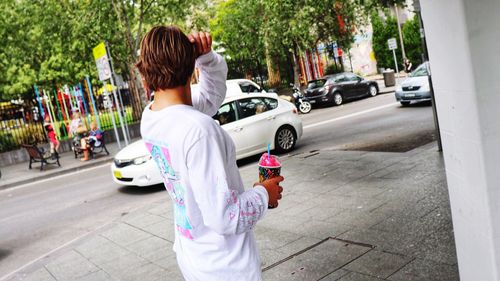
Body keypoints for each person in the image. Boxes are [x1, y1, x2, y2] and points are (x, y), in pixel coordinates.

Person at [137, 26, 284, 281]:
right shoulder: (198, 131)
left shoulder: (152, 116)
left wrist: (206, 58)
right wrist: (264, 193)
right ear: (190, 67)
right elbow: (225, 218)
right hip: (226, 268)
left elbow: (210, 96)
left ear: (146, 73)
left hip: (196, 257)